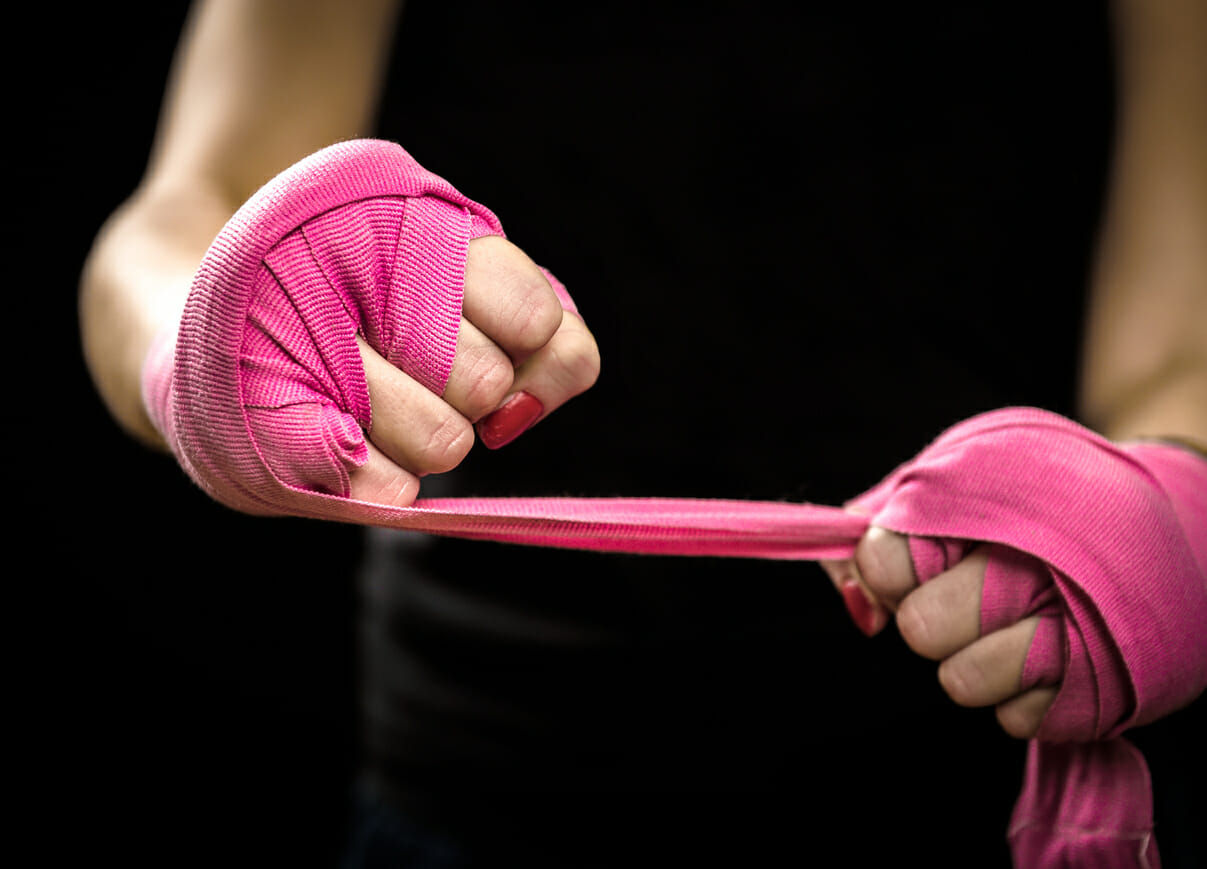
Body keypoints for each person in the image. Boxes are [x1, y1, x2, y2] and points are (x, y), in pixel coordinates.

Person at [79, 0, 1206, 865]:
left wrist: (1166, 506)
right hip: (479, 774)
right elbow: (181, 208)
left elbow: (1180, 353)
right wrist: (202, 345)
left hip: (966, 754)